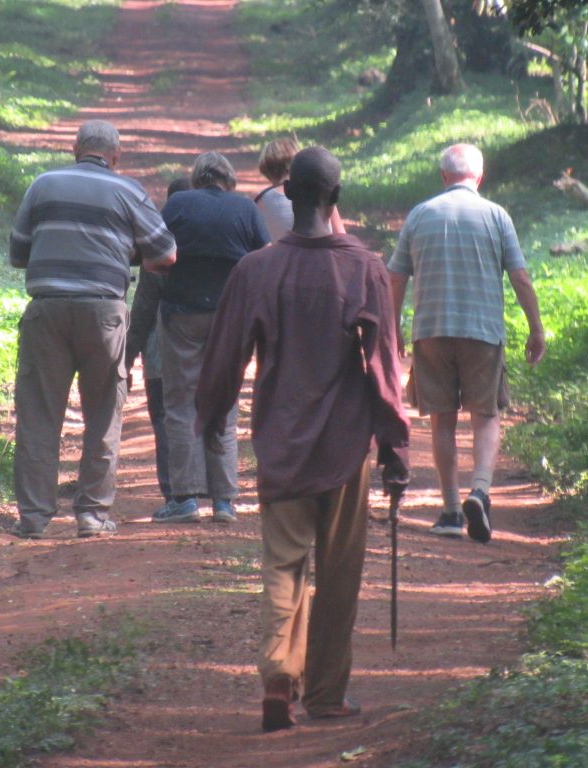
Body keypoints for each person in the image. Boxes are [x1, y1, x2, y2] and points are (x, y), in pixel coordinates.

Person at [196, 146, 410, 731]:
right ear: (335, 199)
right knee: (339, 575)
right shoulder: (363, 268)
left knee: (283, 565)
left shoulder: (257, 270)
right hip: (346, 450)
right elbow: (385, 367)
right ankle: (324, 695)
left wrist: (210, 417)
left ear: (288, 196)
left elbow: (225, 356)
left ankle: (276, 678)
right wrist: (393, 445)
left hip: (282, 443)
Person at [8, 119, 176, 539]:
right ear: (115, 156)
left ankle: (33, 518)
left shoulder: (42, 185)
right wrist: (124, 253)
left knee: (39, 415)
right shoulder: (128, 191)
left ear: (75, 148)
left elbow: (18, 253)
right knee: (103, 413)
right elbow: (167, 253)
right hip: (104, 313)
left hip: (45, 312)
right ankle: (92, 515)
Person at [387, 143, 545, 544]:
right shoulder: (496, 216)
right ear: (479, 177)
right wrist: (535, 327)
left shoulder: (420, 215)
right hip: (483, 332)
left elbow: (396, 279)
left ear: (443, 177)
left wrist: (393, 327)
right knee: (486, 415)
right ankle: (480, 489)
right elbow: (520, 277)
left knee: (442, 418)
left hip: (431, 331)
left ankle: (452, 509)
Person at [153, 152, 270, 524]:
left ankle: (185, 498)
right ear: (229, 180)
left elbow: (155, 253)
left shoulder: (178, 204)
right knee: (224, 403)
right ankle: (224, 501)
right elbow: (264, 258)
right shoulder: (245, 209)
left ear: (198, 178)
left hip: (181, 314)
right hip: (229, 317)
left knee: (181, 403)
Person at [125, 177, 191, 509]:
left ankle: (175, 494)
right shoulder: (215, 240)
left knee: (165, 420)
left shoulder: (159, 247)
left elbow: (143, 309)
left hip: (160, 351)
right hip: (204, 348)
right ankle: (214, 495)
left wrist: (125, 358)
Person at [256, 137, 348, 241]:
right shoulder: (319, 193)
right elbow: (341, 235)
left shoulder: (261, 200)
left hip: (280, 256)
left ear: (266, 168)